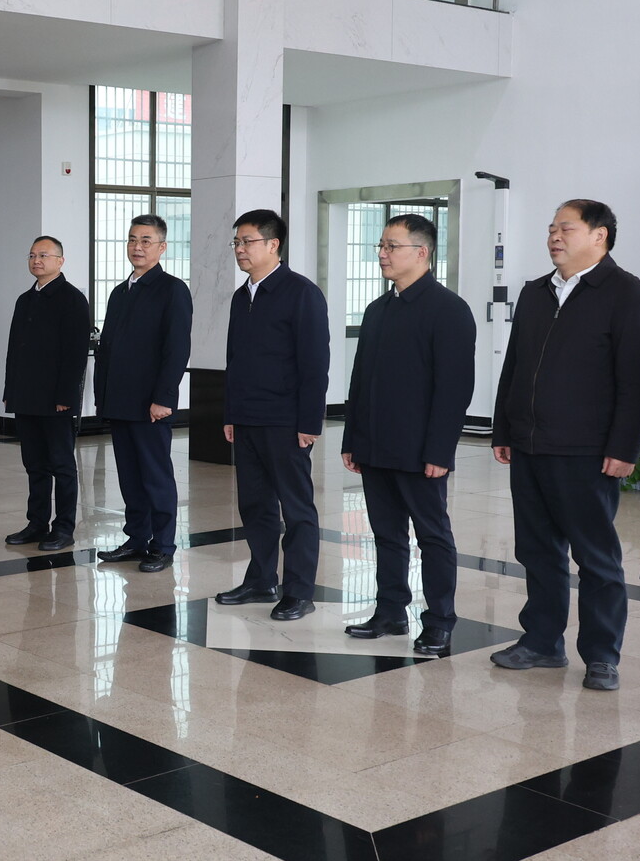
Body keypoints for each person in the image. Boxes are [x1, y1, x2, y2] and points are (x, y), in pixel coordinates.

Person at [490, 200, 640, 691]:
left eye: (566, 228)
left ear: (600, 236)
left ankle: (603, 655)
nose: (554, 236)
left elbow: (638, 381)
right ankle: (542, 641)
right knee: (537, 550)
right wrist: (505, 428)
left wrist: (624, 448)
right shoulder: (535, 293)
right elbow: (515, 366)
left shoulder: (627, 294)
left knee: (596, 557)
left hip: (587, 451)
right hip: (530, 445)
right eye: (551, 228)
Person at [339, 213, 475, 658]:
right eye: (381, 245)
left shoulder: (448, 309)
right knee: (386, 534)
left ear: (421, 252)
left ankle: (438, 622)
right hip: (375, 446)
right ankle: (390, 611)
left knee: (432, 537)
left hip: (420, 452)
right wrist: (352, 438)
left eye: (390, 246)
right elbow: (361, 380)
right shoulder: (378, 310)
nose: (382, 253)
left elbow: (454, 388)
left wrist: (440, 450)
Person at [214, 209, 329, 620]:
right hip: (247, 419)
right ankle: (261, 579)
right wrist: (231, 412)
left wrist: (309, 423)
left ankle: (299, 591)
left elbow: (315, 363)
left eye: (247, 242)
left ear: (273, 244)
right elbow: (235, 359)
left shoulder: (301, 293)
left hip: (285, 421)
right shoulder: (241, 296)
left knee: (296, 509)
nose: (240, 250)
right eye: (237, 243)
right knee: (255, 505)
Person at [93, 214, 192, 573]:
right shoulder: (121, 292)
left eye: (146, 241)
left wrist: (164, 397)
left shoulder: (172, 290)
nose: (138, 247)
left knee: (155, 475)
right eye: (133, 239)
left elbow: (177, 348)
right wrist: (102, 397)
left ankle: (163, 544)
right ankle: (136, 538)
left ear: (162, 247)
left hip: (151, 403)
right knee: (130, 477)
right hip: (120, 401)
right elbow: (109, 348)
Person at [0, 234, 90, 552]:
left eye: (44, 255)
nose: (37, 260)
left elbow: (76, 355)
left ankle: (63, 528)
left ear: (60, 261)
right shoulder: (25, 299)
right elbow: (15, 351)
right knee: (34, 464)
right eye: (32, 255)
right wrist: (10, 390)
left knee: (61, 465)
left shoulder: (71, 300)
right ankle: (36, 523)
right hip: (26, 397)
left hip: (57, 400)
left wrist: (67, 396)